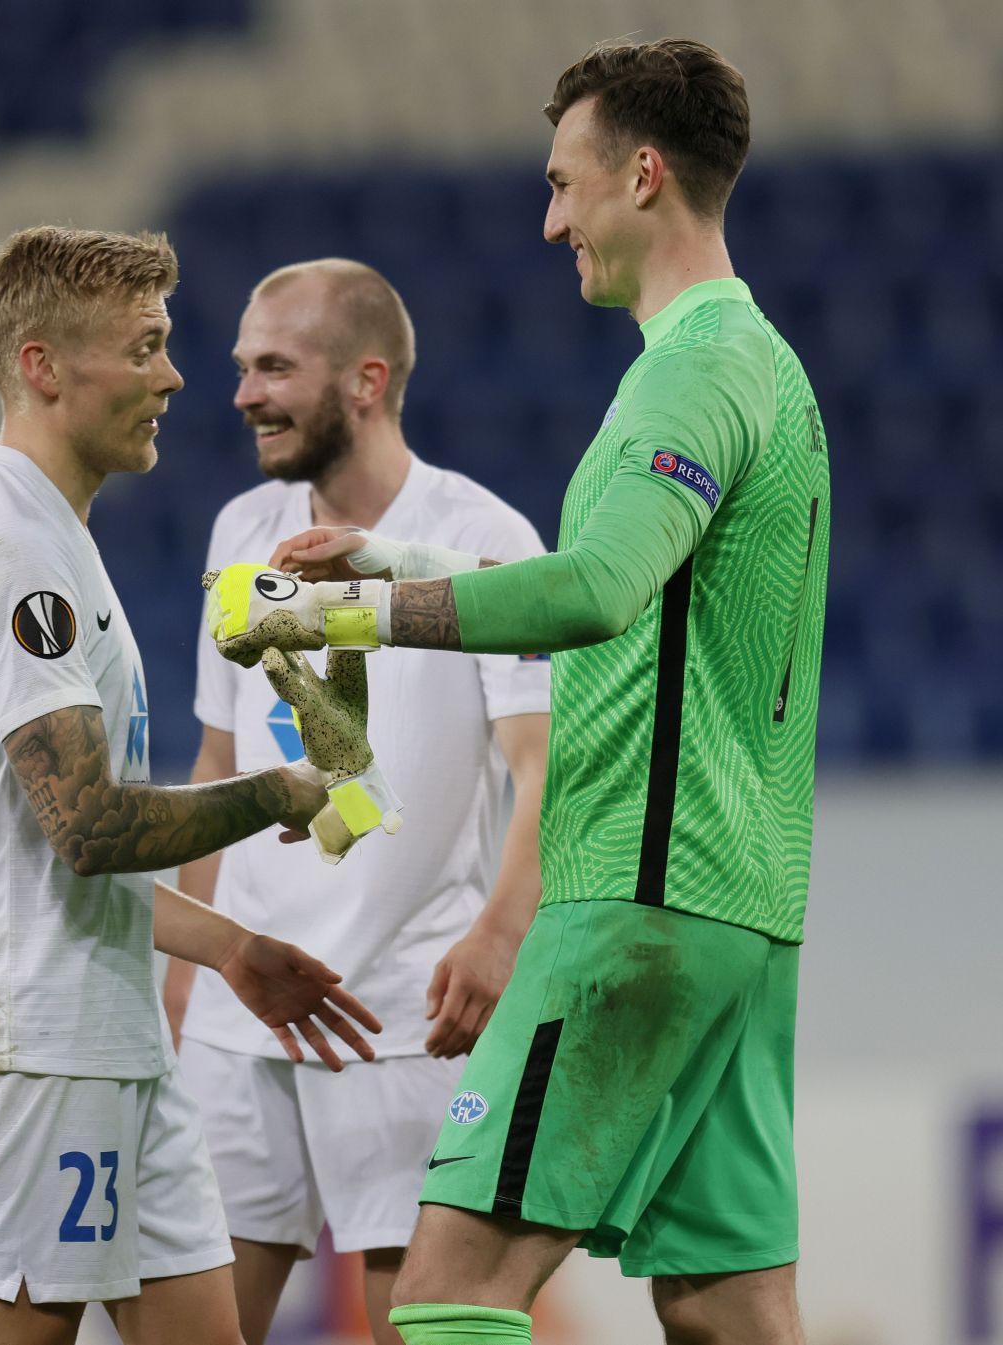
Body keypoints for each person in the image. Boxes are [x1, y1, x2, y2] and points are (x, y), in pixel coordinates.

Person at [205, 38, 830, 1345]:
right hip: (741, 904)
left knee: (448, 1293)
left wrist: (357, 609)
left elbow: (597, 588)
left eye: (563, 184)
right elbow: (620, 589)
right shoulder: (764, 365)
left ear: (643, 176)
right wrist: (396, 555)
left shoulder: (694, 370)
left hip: (633, 905)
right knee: (730, 1304)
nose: (551, 221)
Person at [0, 225, 385, 1345]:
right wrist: (279, 792)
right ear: (42, 365)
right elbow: (86, 825)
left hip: (112, 1037)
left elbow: (39, 846)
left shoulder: (58, 536)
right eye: (147, 346)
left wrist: (228, 947)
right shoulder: (1, 531)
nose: (175, 376)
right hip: (28, 1044)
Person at [164, 259, 552, 1345]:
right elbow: (219, 758)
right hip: (243, 1014)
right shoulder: (240, 527)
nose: (242, 392)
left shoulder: (485, 540)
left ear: (367, 380)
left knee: (419, 1326)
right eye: (244, 367)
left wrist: (498, 935)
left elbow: (545, 767)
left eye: (274, 367)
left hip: (405, 1013)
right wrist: (188, 966)